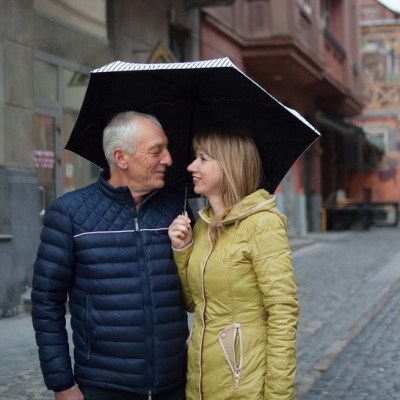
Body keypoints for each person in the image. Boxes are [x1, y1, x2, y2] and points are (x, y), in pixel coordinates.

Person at [31, 111, 189, 400]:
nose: (168, 159)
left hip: (175, 384)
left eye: (167, 148)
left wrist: (188, 246)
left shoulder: (178, 211)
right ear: (121, 157)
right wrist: (62, 383)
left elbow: (198, 291)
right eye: (156, 151)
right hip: (103, 386)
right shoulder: (70, 213)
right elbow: (46, 303)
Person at [168, 129, 299, 400]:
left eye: (203, 159)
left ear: (229, 166)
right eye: (195, 158)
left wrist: (277, 395)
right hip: (201, 383)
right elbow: (193, 303)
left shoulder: (263, 224)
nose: (191, 166)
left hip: (244, 384)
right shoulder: (202, 227)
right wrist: (182, 250)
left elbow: (283, 314)